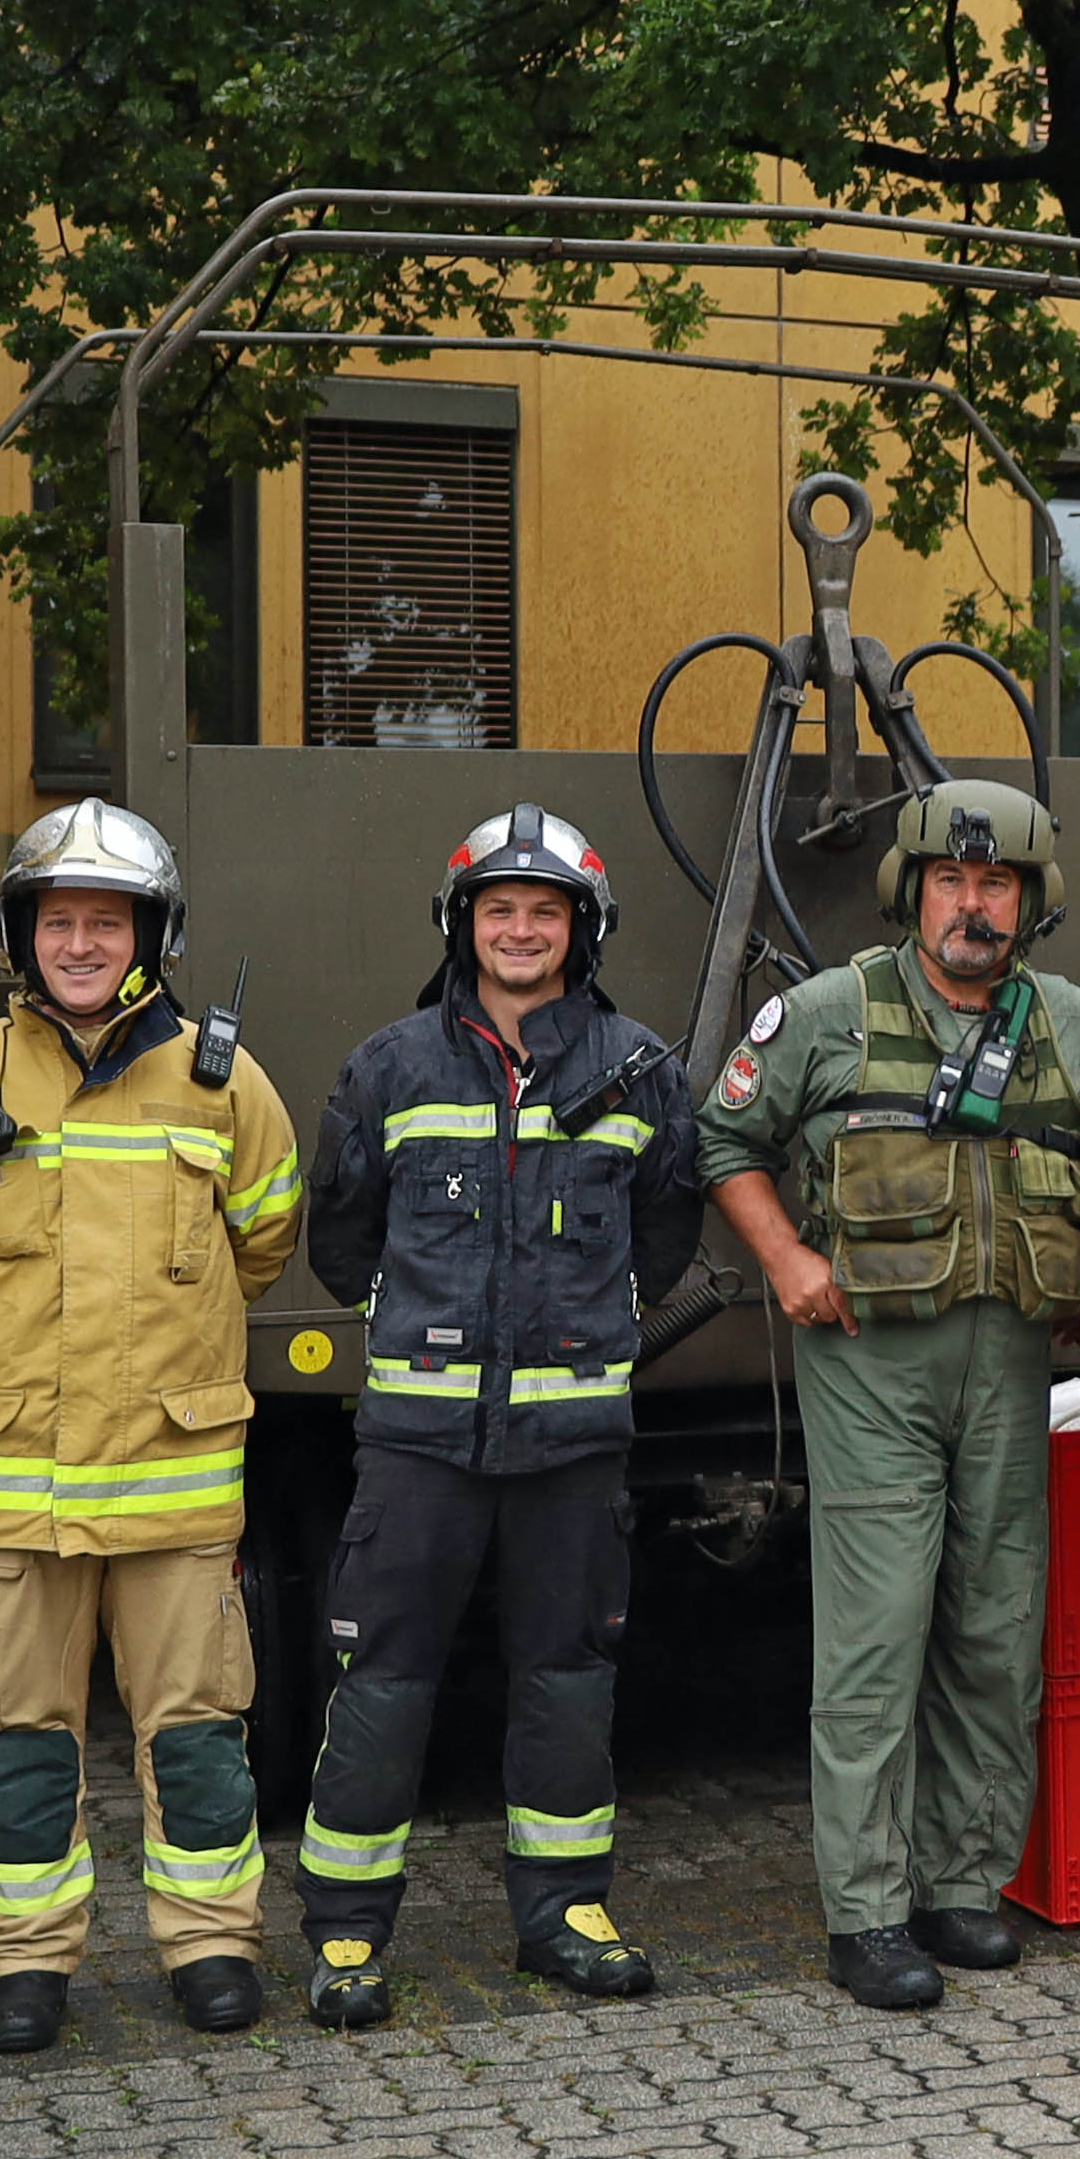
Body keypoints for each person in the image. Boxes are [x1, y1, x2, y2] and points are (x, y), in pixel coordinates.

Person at [0, 798, 303, 2054]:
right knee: (22, 1746)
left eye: (108, 921)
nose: (83, 944)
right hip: (10, 1488)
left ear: (153, 934)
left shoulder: (224, 1081)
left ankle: (212, 1943)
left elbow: (263, 1239)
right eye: (59, 921)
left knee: (198, 1737)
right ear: (20, 935)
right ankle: (25, 1962)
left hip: (170, 1483)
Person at [696, 778, 1080, 2012]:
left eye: (997, 884)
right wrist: (786, 1256)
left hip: (1015, 1366)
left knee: (995, 1626)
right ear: (910, 890)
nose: (972, 905)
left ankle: (962, 1884)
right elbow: (724, 1139)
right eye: (950, 880)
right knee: (878, 1634)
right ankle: (868, 1910)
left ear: (1031, 900)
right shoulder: (829, 1011)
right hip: (871, 1362)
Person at [294, 807, 703, 2024]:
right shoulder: (390, 1067)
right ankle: (347, 1932)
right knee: (382, 1683)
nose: (521, 929)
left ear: (584, 929)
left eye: (546, 911)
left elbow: (665, 1236)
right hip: (418, 1449)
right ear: (460, 922)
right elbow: (340, 1238)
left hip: (573, 1451)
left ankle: (564, 1914)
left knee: (568, 1682)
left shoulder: (640, 1069)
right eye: (499, 908)